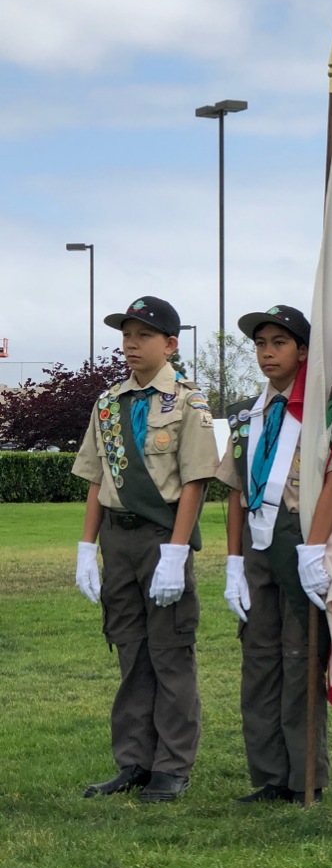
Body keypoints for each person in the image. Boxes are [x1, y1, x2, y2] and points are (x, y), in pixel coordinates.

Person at [215, 305, 332, 805]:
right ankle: (269, 776)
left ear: (303, 352)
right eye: (260, 344)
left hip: (301, 537)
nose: (266, 353)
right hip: (258, 542)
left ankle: (306, 777)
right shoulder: (246, 414)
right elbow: (235, 491)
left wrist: (312, 549)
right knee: (259, 660)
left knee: (301, 657)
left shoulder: (327, 409)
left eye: (278, 343)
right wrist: (234, 562)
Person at [73, 296, 219, 803]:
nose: (131, 345)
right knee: (130, 651)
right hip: (117, 538)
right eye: (126, 336)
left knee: (170, 652)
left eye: (143, 336)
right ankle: (133, 760)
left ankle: (172, 766)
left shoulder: (186, 402)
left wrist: (177, 552)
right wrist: (84, 547)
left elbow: (196, 481)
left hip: (161, 539)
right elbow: (96, 478)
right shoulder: (108, 404)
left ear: (170, 344)